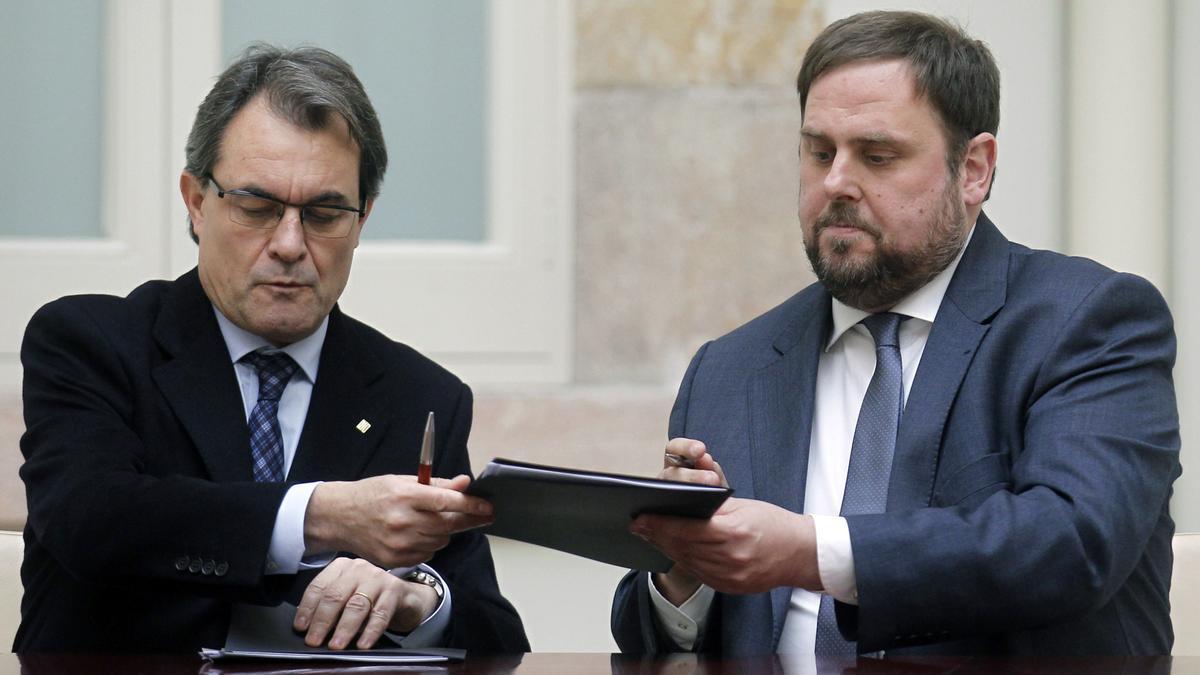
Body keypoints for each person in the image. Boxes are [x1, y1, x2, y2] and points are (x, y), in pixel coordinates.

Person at [612, 11, 1180, 657]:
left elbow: (1074, 541)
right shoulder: (730, 366)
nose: (836, 184)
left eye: (877, 156)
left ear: (974, 168)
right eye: (819, 151)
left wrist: (811, 551)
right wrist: (685, 568)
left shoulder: (1087, 321)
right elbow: (653, 640)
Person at [15, 44, 529, 653]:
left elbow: (495, 638)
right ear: (196, 202)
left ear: (362, 219)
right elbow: (91, 521)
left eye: (324, 212)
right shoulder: (93, 342)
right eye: (257, 207)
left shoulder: (418, 395)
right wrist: (320, 515)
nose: (289, 243)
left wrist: (419, 601)